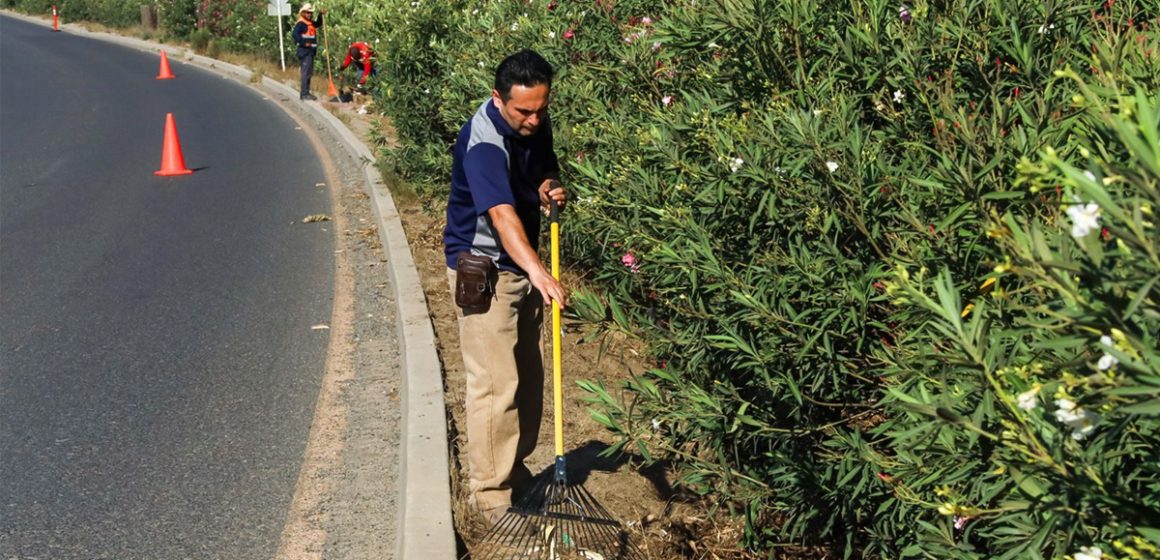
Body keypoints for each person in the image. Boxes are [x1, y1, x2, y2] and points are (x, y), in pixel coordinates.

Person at [443, 49, 567, 526]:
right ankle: (492, 498)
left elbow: (542, 170)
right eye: (524, 112)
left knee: (528, 378)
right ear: (498, 99)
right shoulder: (484, 143)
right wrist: (539, 272)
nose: (535, 119)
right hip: (485, 272)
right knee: (495, 386)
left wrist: (549, 186)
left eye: (542, 108)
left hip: (523, 266)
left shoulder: (535, 120)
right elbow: (500, 214)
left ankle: (514, 471)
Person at [291, 3, 324, 100]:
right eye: (308, 13)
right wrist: (303, 43)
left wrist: (320, 15)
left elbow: (318, 24)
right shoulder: (301, 24)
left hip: (310, 52)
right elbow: (295, 34)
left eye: (311, 13)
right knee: (305, 73)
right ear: (303, 13)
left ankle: (307, 92)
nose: (310, 15)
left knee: (309, 72)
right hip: (304, 51)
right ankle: (304, 94)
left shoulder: (310, 23)